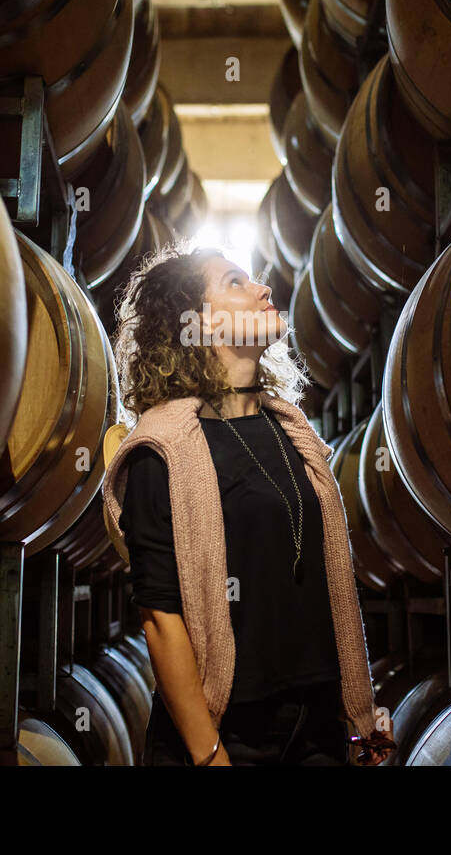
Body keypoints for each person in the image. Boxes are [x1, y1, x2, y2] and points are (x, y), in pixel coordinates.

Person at [100, 242, 396, 766]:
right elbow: (160, 617)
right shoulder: (163, 446)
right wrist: (209, 755)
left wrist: (359, 713)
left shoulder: (294, 431)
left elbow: (324, 586)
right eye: (236, 283)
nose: (263, 289)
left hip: (316, 732)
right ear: (200, 323)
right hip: (228, 736)